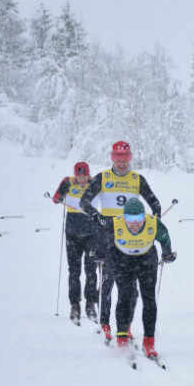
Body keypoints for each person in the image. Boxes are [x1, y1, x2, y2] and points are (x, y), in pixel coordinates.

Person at [80, 141, 162, 342]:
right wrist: (97, 216)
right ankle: (105, 322)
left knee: (131, 288)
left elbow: (155, 203)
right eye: (118, 159)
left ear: (130, 158)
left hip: (132, 235)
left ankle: (125, 325)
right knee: (108, 282)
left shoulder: (137, 179)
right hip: (108, 234)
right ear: (112, 158)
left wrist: (154, 220)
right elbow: (84, 201)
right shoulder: (103, 177)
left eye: (125, 159)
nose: (122, 163)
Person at [100, 197, 176, 358]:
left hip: (146, 260)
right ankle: (122, 338)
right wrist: (99, 252)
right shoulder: (116, 223)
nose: (134, 224)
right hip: (122, 260)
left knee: (148, 300)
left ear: (144, 216)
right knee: (125, 296)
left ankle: (149, 343)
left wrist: (167, 253)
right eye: (130, 219)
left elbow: (165, 237)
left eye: (138, 219)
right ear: (124, 217)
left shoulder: (152, 223)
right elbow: (101, 238)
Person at [52, 162, 99, 323]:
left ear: (88, 174)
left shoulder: (95, 184)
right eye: (79, 176)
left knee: (91, 270)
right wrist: (62, 190)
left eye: (84, 176)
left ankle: (91, 304)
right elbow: (56, 199)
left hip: (92, 234)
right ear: (75, 175)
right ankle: (75, 305)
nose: (81, 179)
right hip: (72, 234)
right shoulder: (68, 181)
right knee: (74, 270)